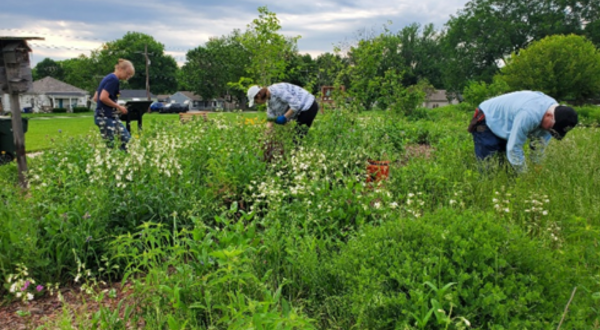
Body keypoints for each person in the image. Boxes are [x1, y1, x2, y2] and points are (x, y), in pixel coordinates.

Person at [468, 90, 578, 172]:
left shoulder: (553, 119)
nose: (550, 132)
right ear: (549, 115)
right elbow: (514, 148)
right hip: (487, 117)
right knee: (488, 160)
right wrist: (525, 177)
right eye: (552, 129)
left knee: (506, 165)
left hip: (509, 121)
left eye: (555, 131)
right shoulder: (530, 114)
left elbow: (538, 147)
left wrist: (537, 168)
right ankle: (487, 188)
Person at [247, 83, 319, 142]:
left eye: (256, 101)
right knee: (291, 137)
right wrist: (265, 139)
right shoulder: (269, 102)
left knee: (297, 138)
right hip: (300, 110)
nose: (257, 103)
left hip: (308, 106)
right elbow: (271, 120)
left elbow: (296, 104)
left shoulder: (277, 91)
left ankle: (296, 156)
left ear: (258, 95)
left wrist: (284, 117)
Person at [92, 59, 135, 150]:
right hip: (105, 117)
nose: (128, 77)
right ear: (120, 69)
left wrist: (111, 105)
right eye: (127, 74)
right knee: (114, 145)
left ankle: (122, 160)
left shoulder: (107, 78)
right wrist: (118, 106)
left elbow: (96, 97)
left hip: (107, 116)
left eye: (130, 76)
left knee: (125, 140)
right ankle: (117, 160)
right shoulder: (113, 79)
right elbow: (103, 98)